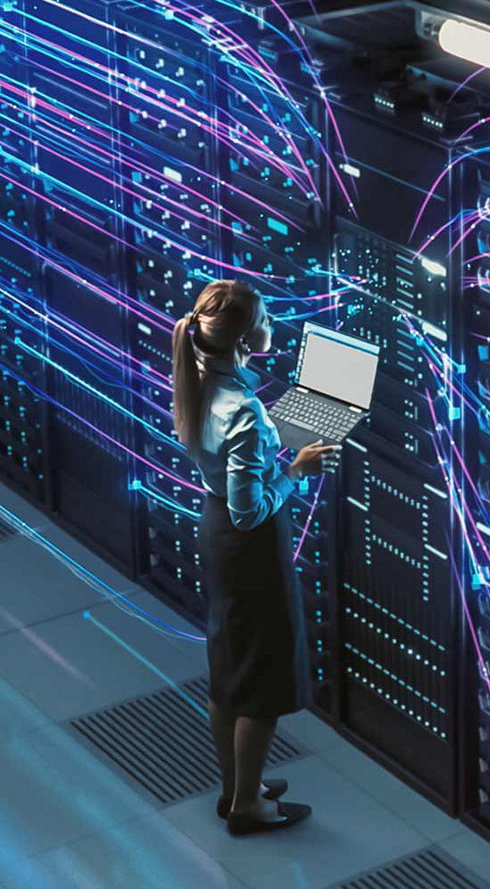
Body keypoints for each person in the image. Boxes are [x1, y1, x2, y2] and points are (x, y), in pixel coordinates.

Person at [171, 279, 339, 836]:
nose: (273, 321)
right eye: (265, 315)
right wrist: (295, 469)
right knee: (262, 681)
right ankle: (248, 805)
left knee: (230, 666)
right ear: (246, 336)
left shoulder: (200, 375)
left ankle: (236, 785)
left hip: (217, 529)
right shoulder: (241, 410)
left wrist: (275, 450)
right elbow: (251, 510)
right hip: (250, 544)